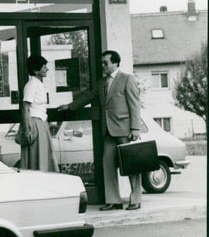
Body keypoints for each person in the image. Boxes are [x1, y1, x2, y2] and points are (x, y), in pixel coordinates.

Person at [58, 50, 142, 210]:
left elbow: (134, 105)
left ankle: (135, 199)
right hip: (108, 131)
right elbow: (88, 96)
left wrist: (135, 128)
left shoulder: (127, 79)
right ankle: (114, 200)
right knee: (108, 164)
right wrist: (70, 106)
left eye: (106, 63)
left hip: (124, 130)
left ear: (115, 63)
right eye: (102, 62)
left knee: (132, 165)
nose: (103, 65)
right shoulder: (102, 83)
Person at [20, 54, 58, 172]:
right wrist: (27, 129)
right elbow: (25, 107)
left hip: (40, 122)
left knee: (43, 155)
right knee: (38, 156)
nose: (47, 69)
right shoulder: (32, 85)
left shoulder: (38, 84)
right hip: (35, 123)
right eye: (44, 67)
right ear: (36, 70)